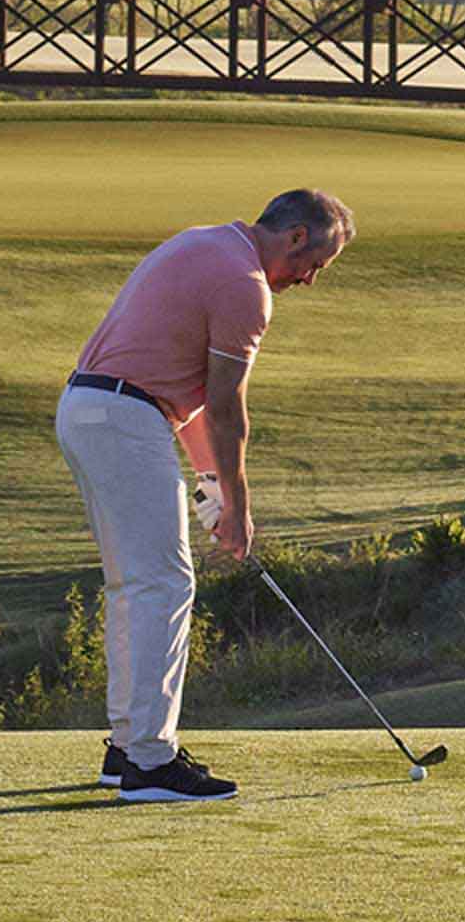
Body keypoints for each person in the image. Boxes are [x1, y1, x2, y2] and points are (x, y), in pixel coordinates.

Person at [57, 188, 354, 803]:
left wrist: (212, 488)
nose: (309, 280)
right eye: (314, 264)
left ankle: (127, 749)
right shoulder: (246, 284)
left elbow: (186, 400)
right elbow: (225, 409)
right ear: (295, 237)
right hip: (123, 417)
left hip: (89, 408)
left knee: (134, 584)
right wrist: (240, 510)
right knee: (164, 584)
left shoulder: (203, 241)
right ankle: (150, 762)